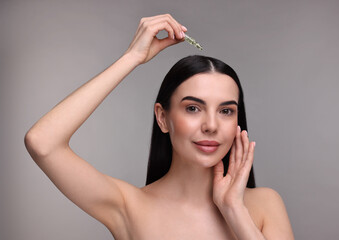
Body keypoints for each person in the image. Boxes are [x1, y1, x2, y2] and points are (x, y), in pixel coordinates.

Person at [24, 14, 294, 239]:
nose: (211, 125)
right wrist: (132, 58)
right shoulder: (129, 206)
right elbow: (42, 143)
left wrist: (234, 210)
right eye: (193, 108)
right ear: (162, 118)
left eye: (226, 111)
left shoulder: (265, 204)